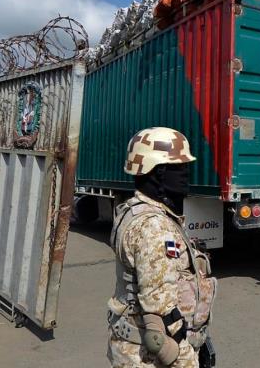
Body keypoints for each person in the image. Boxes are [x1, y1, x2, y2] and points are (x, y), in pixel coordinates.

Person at [107, 127, 217, 368]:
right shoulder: (155, 228)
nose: (186, 174)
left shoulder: (135, 211)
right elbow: (161, 315)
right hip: (148, 357)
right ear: (158, 172)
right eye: (179, 167)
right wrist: (188, 362)